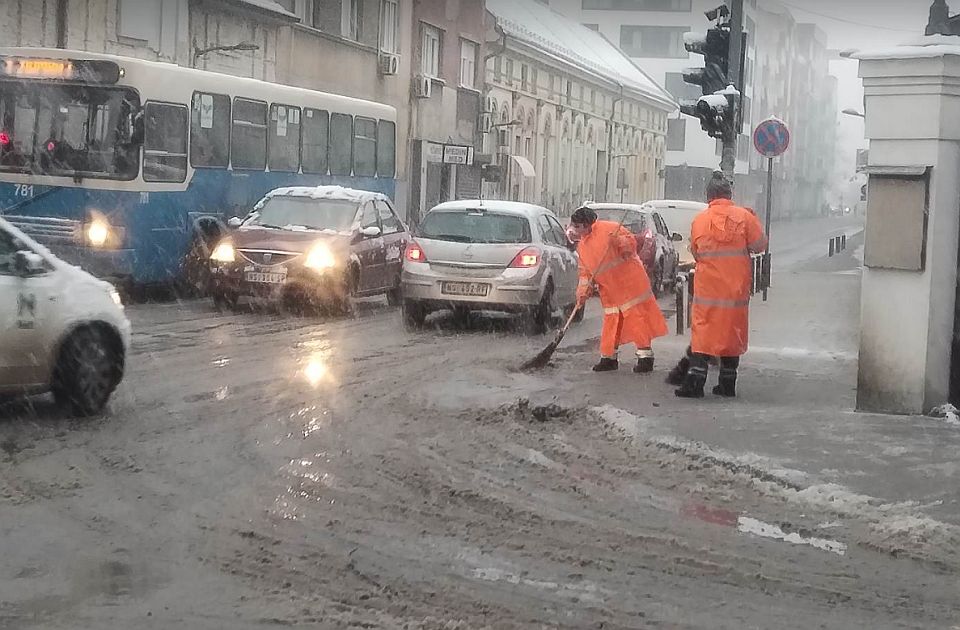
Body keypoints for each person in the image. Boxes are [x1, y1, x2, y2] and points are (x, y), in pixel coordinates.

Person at [669, 172, 767, 398]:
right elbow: (760, 245)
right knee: (732, 334)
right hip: (736, 290)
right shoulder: (744, 217)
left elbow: (695, 251)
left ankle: (694, 383)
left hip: (708, 290)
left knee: (703, 334)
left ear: (709, 195)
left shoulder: (700, 220)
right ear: (729, 194)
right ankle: (727, 384)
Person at [570, 206, 668, 373]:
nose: (573, 230)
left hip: (628, 283)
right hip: (609, 289)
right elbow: (585, 273)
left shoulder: (610, 229)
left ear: (586, 225)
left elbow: (631, 246)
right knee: (612, 322)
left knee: (637, 320)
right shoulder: (583, 246)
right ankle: (608, 357)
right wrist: (582, 293)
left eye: (576, 226)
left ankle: (645, 357)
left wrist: (620, 242)